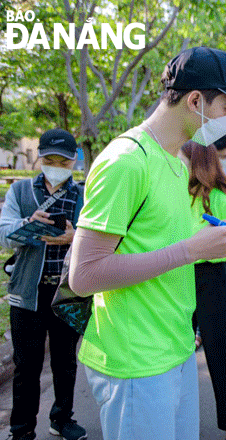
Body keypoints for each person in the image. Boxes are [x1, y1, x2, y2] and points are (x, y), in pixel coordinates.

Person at [67, 46, 226, 440]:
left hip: (176, 349)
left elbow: (160, 242)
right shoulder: (126, 160)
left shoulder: (176, 162)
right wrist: (191, 250)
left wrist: (218, 238)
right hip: (135, 361)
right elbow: (84, 276)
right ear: (195, 101)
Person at [0, 129, 86, 440]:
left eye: (62, 160)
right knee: (27, 366)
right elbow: (3, 231)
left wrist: (74, 236)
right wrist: (27, 224)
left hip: (67, 291)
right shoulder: (21, 192)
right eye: (49, 159)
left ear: (73, 161)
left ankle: (62, 419)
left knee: (65, 362)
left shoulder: (84, 195)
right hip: (27, 292)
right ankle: (22, 429)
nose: (55, 165)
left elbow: (102, 237)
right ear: (39, 157)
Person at [179, 141, 226, 439]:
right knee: (174, 353)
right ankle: (175, 419)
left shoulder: (223, 197)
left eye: (180, 159)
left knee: (219, 353)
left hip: (212, 278)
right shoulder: (172, 194)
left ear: (195, 162)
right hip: (175, 275)